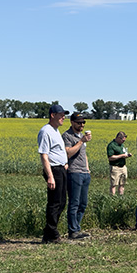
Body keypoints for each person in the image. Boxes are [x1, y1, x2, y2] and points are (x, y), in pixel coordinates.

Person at [39, 104, 72, 243]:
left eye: (64, 115)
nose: (63, 117)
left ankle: (49, 233)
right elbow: (44, 155)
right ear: (53, 115)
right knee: (54, 202)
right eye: (61, 115)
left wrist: (64, 162)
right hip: (54, 170)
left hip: (61, 169)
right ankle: (52, 233)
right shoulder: (46, 131)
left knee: (62, 202)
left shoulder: (56, 130)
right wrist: (50, 176)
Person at [63, 113, 93, 239]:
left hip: (84, 172)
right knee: (74, 202)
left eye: (83, 123)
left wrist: (87, 168)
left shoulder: (81, 135)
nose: (82, 125)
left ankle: (77, 228)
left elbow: (83, 154)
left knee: (83, 203)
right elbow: (68, 153)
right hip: (74, 172)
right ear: (72, 122)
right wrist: (81, 141)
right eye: (79, 122)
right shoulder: (67, 136)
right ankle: (73, 231)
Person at [107, 131, 131, 195]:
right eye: (122, 140)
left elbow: (122, 153)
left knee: (122, 184)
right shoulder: (111, 145)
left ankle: (121, 197)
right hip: (115, 167)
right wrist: (122, 156)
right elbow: (110, 157)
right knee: (114, 184)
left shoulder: (121, 145)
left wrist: (127, 155)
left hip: (123, 167)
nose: (123, 141)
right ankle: (112, 198)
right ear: (118, 138)